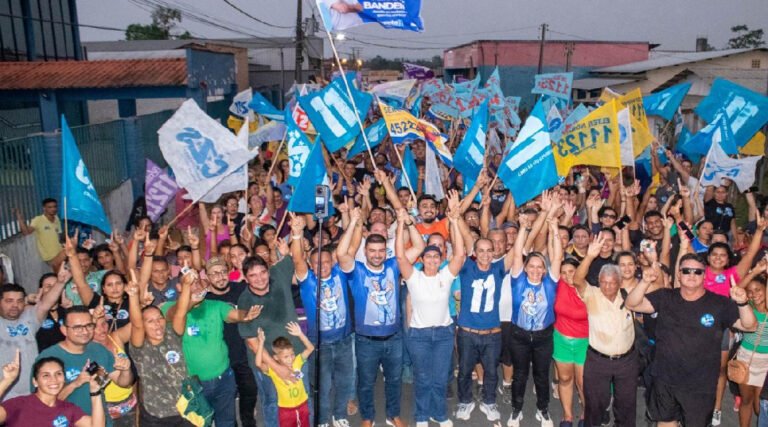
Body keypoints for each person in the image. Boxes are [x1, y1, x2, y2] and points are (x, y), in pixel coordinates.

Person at [625, 253, 757, 427]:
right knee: (665, 422)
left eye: (697, 272)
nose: (692, 275)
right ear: (679, 274)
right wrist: (644, 281)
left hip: (700, 384)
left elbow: (750, 326)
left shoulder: (719, 303)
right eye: (686, 271)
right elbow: (631, 304)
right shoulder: (665, 296)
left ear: (704, 275)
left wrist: (742, 303)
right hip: (665, 378)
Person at [395, 192, 466, 427]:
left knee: (439, 379)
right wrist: (400, 226)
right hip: (420, 336)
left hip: (444, 334)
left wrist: (454, 220)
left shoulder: (446, 275)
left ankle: (440, 414)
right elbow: (399, 256)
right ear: (423, 259)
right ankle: (422, 416)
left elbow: (460, 254)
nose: (433, 260)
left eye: (437, 257)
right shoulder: (414, 277)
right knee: (423, 379)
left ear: (441, 258)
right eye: (429, 257)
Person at [164, 265, 260, 427]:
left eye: (197, 282)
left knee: (227, 422)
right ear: (180, 287)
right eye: (189, 283)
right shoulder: (169, 307)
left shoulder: (215, 305)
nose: (195, 286)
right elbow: (175, 317)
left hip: (224, 379)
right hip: (195, 384)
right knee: (199, 423)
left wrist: (246, 315)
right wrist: (190, 298)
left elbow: (234, 314)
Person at [337, 207, 405, 427]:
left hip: (394, 338)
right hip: (366, 340)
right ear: (365, 251)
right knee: (366, 383)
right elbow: (341, 254)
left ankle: (393, 414)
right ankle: (367, 418)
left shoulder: (395, 266)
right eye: (372, 250)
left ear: (387, 251)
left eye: (381, 250)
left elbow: (419, 247)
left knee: (394, 381)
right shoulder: (355, 270)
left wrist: (403, 222)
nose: (377, 254)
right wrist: (353, 224)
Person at [291, 214, 354, 427]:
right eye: (317, 263)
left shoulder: (340, 273)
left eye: (326, 261)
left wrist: (353, 222)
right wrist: (297, 234)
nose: (322, 266)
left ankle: (340, 415)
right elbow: (297, 259)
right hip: (320, 344)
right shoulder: (307, 281)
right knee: (323, 385)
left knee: (345, 382)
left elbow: (347, 249)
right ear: (311, 264)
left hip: (344, 340)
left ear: (331, 262)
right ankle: (324, 420)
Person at [239, 242, 308, 427]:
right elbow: (252, 343)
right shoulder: (245, 301)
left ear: (268, 270)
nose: (260, 278)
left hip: (296, 355)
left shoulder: (278, 273)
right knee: (272, 402)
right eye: (253, 275)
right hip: (268, 363)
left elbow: (295, 259)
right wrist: (278, 368)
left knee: (303, 397)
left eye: (262, 272)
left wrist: (295, 235)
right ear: (246, 278)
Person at [507, 194, 562, 427]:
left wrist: (554, 225)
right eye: (533, 266)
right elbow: (519, 250)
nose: (537, 270)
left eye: (540, 266)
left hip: (543, 337)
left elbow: (557, 257)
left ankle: (543, 409)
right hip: (519, 335)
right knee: (519, 375)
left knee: (541, 375)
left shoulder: (550, 282)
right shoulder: (518, 279)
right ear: (526, 266)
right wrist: (522, 228)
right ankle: (516, 410)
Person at [573, 234, 638, 427]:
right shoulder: (592, 295)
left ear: (619, 282)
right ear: (599, 281)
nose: (607, 286)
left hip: (627, 361)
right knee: (594, 405)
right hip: (597, 361)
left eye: (612, 282)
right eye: (603, 282)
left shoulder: (629, 297)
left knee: (626, 406)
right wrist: (590, 256)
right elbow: (577, 279)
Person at [37, 306, 134, 426]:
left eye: (89, 325)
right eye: (77, 327)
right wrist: (75, 383)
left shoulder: (99, 350)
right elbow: (42, 403)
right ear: (64, 330)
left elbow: (123, 382)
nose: (85, 331)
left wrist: (126, 370)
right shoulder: (48, 358)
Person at [125, 273, 191, 426]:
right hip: (157, 415)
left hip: (186, 409)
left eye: (159, 318)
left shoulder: (172, 334)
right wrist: (133, 297)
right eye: (150, 321)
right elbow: (136, 324)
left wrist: (186, 286)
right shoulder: (140, 347)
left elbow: (181, 312)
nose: (157, 324)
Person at [204, 256, 259, 427]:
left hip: (244, 354)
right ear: (207, 277)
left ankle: (248, 421)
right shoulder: (204, 300)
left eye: (222, 272)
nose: (220, 276)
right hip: (220, 360)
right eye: (214, 274)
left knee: (249, 392)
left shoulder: (242, 289)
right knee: (226, 404)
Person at [0, 268, 68, 400]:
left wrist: (60, 283)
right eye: (9, 301)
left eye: (19, 301)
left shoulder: (29, 317)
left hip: (34, 394)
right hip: (5, 396)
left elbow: (46, 304)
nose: (15, 305)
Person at [0, 353, 106, 426]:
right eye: (46, 375)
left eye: (58, 374)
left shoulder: (69, 409)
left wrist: (95, 391)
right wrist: (7, 380)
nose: (54, 379)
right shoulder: (19, 404)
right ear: (35, 381)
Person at [254, 323, 315, 427]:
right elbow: (258, 363)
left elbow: (311, 348)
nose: (291, 358)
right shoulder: (273, 370)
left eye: (292, 354)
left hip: (303, 405)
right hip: (286, 410)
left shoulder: (297, 362)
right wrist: (260, 343)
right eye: (286, 357)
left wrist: (300, 334)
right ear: (276, 358)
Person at [553, 258, 587, 427]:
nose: (567, 276)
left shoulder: (586, 288)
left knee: (582, 382)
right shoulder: (558, 284)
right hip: (561, 340)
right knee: (565, 379)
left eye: (571, 271)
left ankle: (585, 414)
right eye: (563, 272)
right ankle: (567, 416)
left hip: (584, 342)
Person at [734, 261, 768, 427]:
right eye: (751, 291)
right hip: (746, 359)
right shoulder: (748, 308)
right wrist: (755, 272)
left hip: (766, 363)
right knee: (746, 401)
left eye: (758, 290)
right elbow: (737, 289)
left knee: (759, 406)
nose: (754, 294)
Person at [14, 199, 66, 272]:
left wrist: (65, 243)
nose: (53, 209)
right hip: (50, 255)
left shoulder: (56, 218)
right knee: (61, 275)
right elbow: (26, 233)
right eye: (50, 207)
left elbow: (60, 235)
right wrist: (19, 217)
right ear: (44, 208)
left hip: (60, 251)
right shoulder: (38, 220)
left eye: (55, 206)